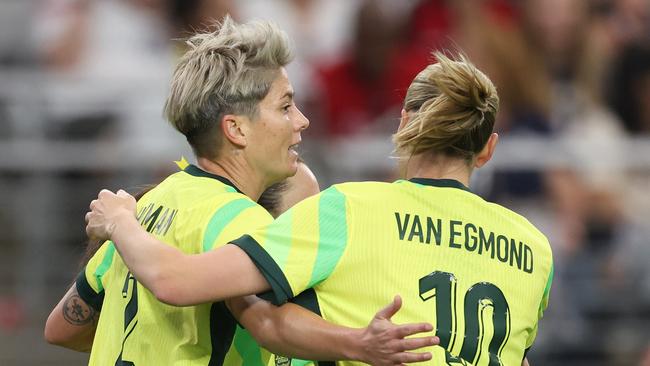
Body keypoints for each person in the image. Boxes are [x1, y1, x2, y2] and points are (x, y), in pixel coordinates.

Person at [85, 52, 553, 365]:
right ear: (488, 148)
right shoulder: (535, 249)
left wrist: (122, 220)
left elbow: (181, 282)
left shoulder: (349, 209)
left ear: (405, 123)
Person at [45, 17, 437, 365]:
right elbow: (267, 323)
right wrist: (358, 343)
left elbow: (61, 328)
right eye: (285, 107)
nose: (301, 121)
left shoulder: (146, 209)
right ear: (236, 129)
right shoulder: (236, 219)